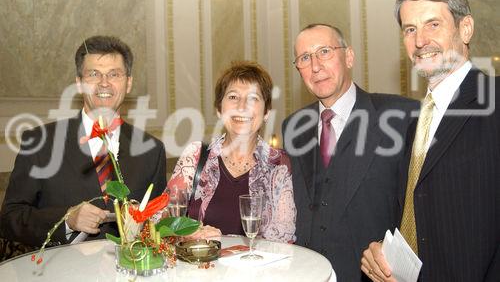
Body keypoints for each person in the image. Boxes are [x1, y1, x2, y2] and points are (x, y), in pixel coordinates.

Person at [361, 0, 500, 281]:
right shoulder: (415, 125)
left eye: (433, 24)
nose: (420, 40)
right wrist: (382, 252)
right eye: (410, 29)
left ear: (465, 29)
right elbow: (418, 210)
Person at [0, 36, 167, 251]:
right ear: (79, 83)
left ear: (128, 83)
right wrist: (67, 219)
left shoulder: (152, 150)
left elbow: (159, 223)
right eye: (94, 74)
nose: (104, 82)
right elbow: (10, 219)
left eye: (114, 74)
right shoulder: (41, 142)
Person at [282, 24, 417, 281]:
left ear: (349, 56)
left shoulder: (400, 117)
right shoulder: (293, 127)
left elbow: (419, 207)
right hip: (306, 274)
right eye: (304, 58)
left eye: (324, 52)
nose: (315, 66)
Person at [166, 61, 296, 242]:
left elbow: (285, 238)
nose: (242, 106)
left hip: (257, 270)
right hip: (197, 267)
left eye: (253, 98)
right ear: (219, 109)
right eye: (233, 97)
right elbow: (162, 220)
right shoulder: (196, 156)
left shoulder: (278, 164)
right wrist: (185, 233)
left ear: (266, 112)